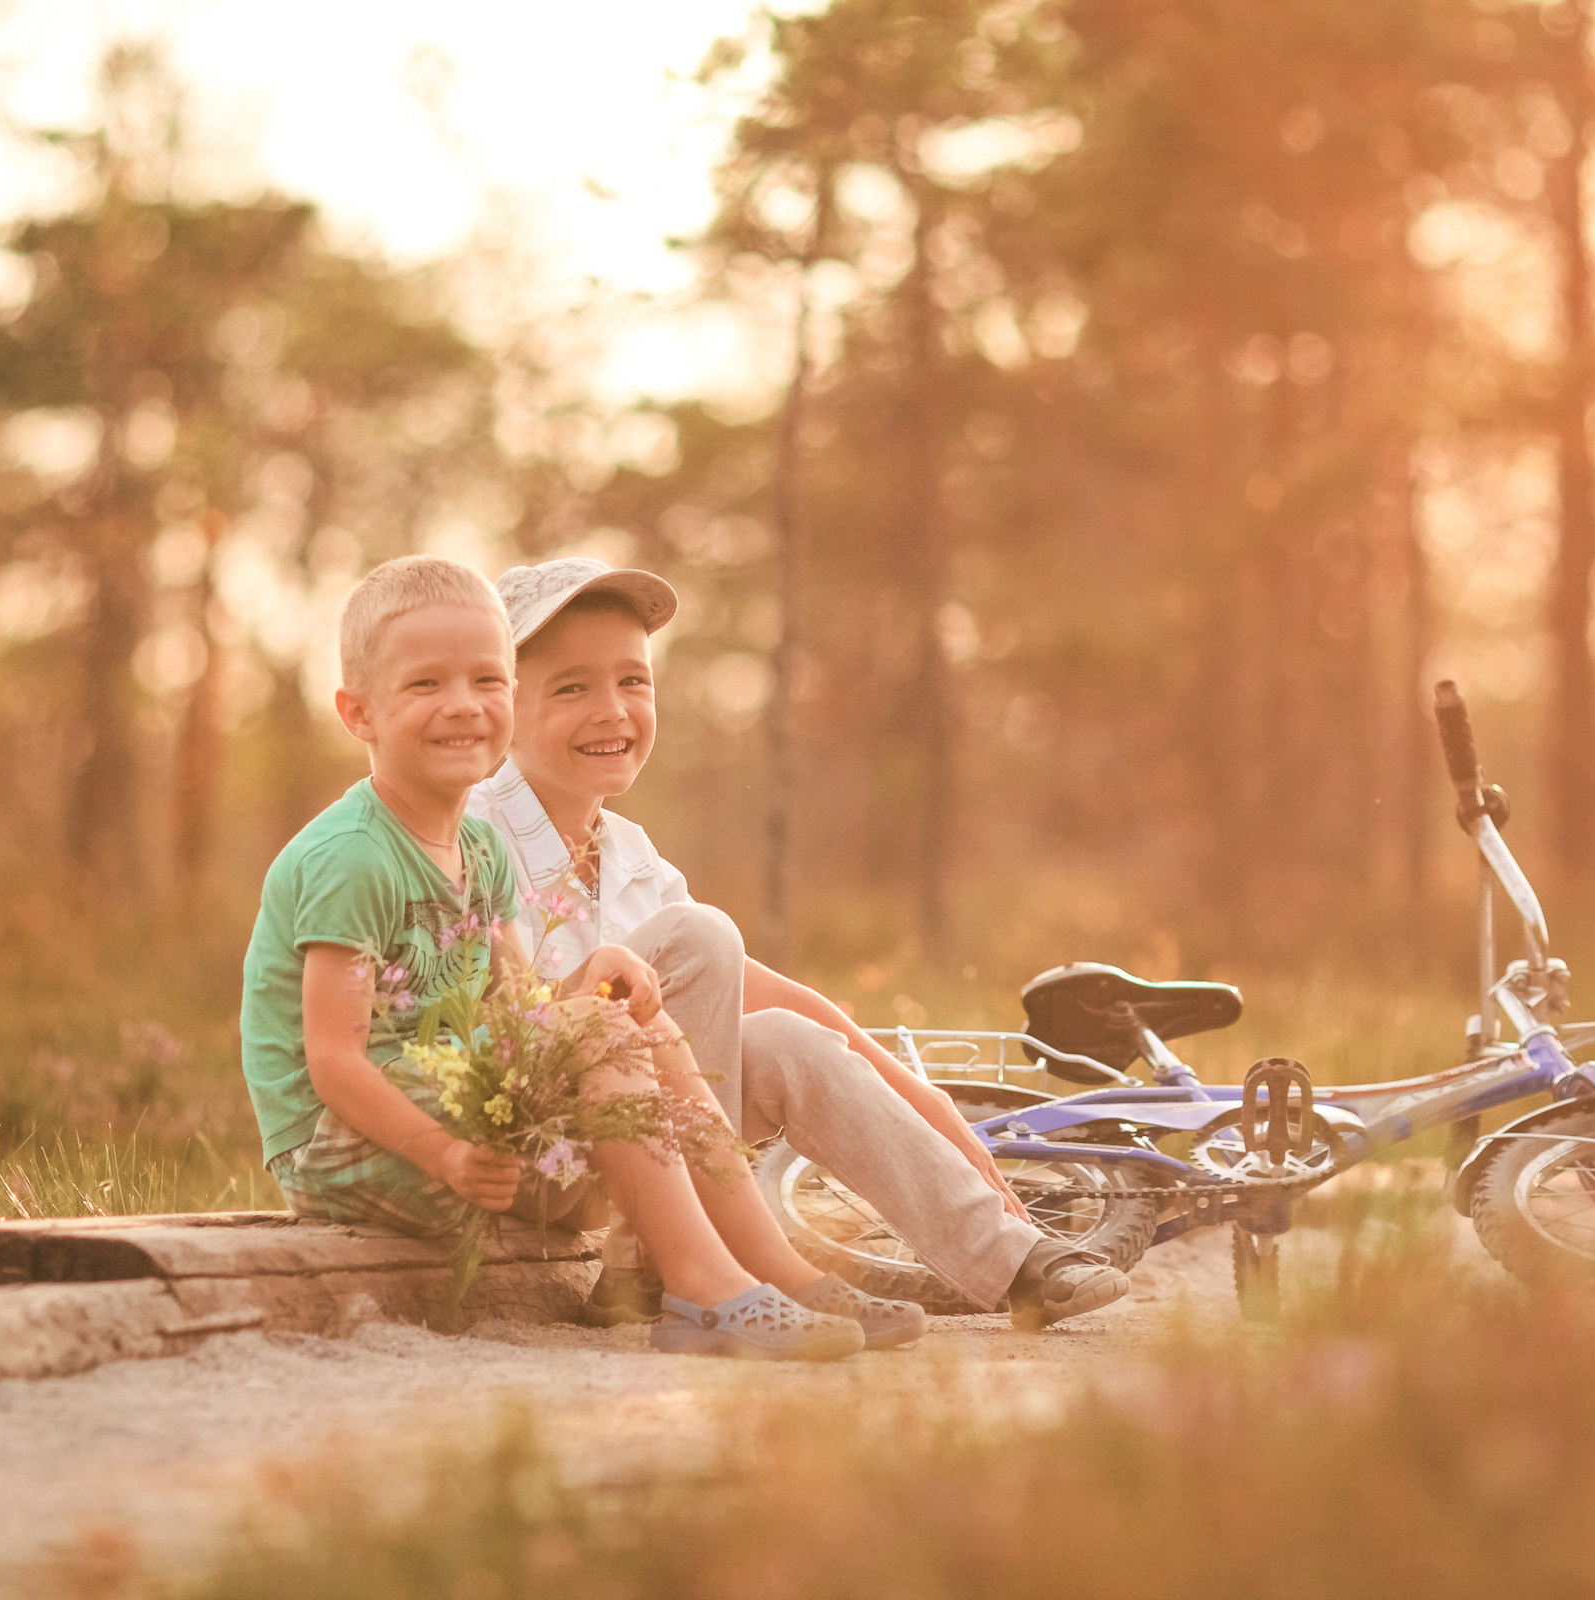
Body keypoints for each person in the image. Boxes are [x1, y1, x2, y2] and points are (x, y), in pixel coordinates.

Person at [237, 554, 909, 1359]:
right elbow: (334, 1063)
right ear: (358, 713)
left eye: (487, 681)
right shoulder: (353, 859)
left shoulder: (477, 847)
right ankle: (701, 1287)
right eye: (425, 686)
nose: (463, 706)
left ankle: (770, 1266)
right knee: (596, 1035)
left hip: (459, 1105)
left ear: (512, 698)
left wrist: (587, 986)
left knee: (637, 1026)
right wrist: (445, 1154)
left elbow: (523, 1012)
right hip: (346, 1145)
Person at [468, 558, 1130, 1332]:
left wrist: (924, 1097)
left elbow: (760, 992)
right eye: (572, 688)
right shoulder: (476, 833)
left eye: (633, 682)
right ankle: (667, 1264)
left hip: (632, 1148)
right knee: (701, 934)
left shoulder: (629, 854)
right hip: (518, 1152)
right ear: (503, 708)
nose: (612, 711)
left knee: (782, 1035)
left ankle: (1010, 1260)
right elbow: (475, 1029)